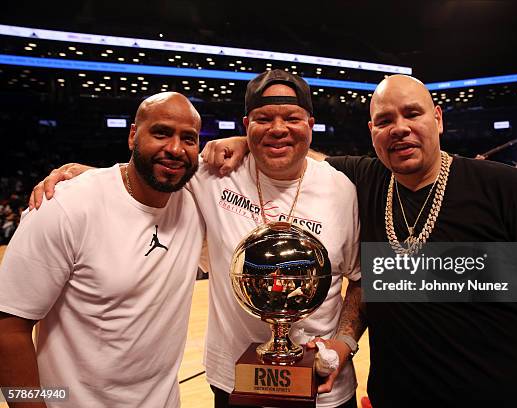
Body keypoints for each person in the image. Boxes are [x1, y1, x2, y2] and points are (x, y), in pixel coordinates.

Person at [202, 74, 517, 407]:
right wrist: (245, 141)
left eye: (413, 113)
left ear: (438, 119)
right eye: (385, 120)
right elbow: (292, 150)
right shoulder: (365, 182)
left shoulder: (506, 188)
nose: (400, 127)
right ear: (372, 133)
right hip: (395, 397)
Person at [28, 71, 362, 408]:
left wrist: (345, 341)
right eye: (263, 119)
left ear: (311, 123)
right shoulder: (213, 173)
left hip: (324, 389)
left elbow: (365, 278)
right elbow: (150, 173)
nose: (278, 128)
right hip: (235, 384)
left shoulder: (344, 189)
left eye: (292, 118)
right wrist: (84, 178)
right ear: (246, 123)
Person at [0, 92, 204, 407]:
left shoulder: (194, 204)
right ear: (133, 135)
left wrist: (242, 142)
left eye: (188, 138)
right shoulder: (65, 206)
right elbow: (7, 329)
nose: (176, 149)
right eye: (161, 133)